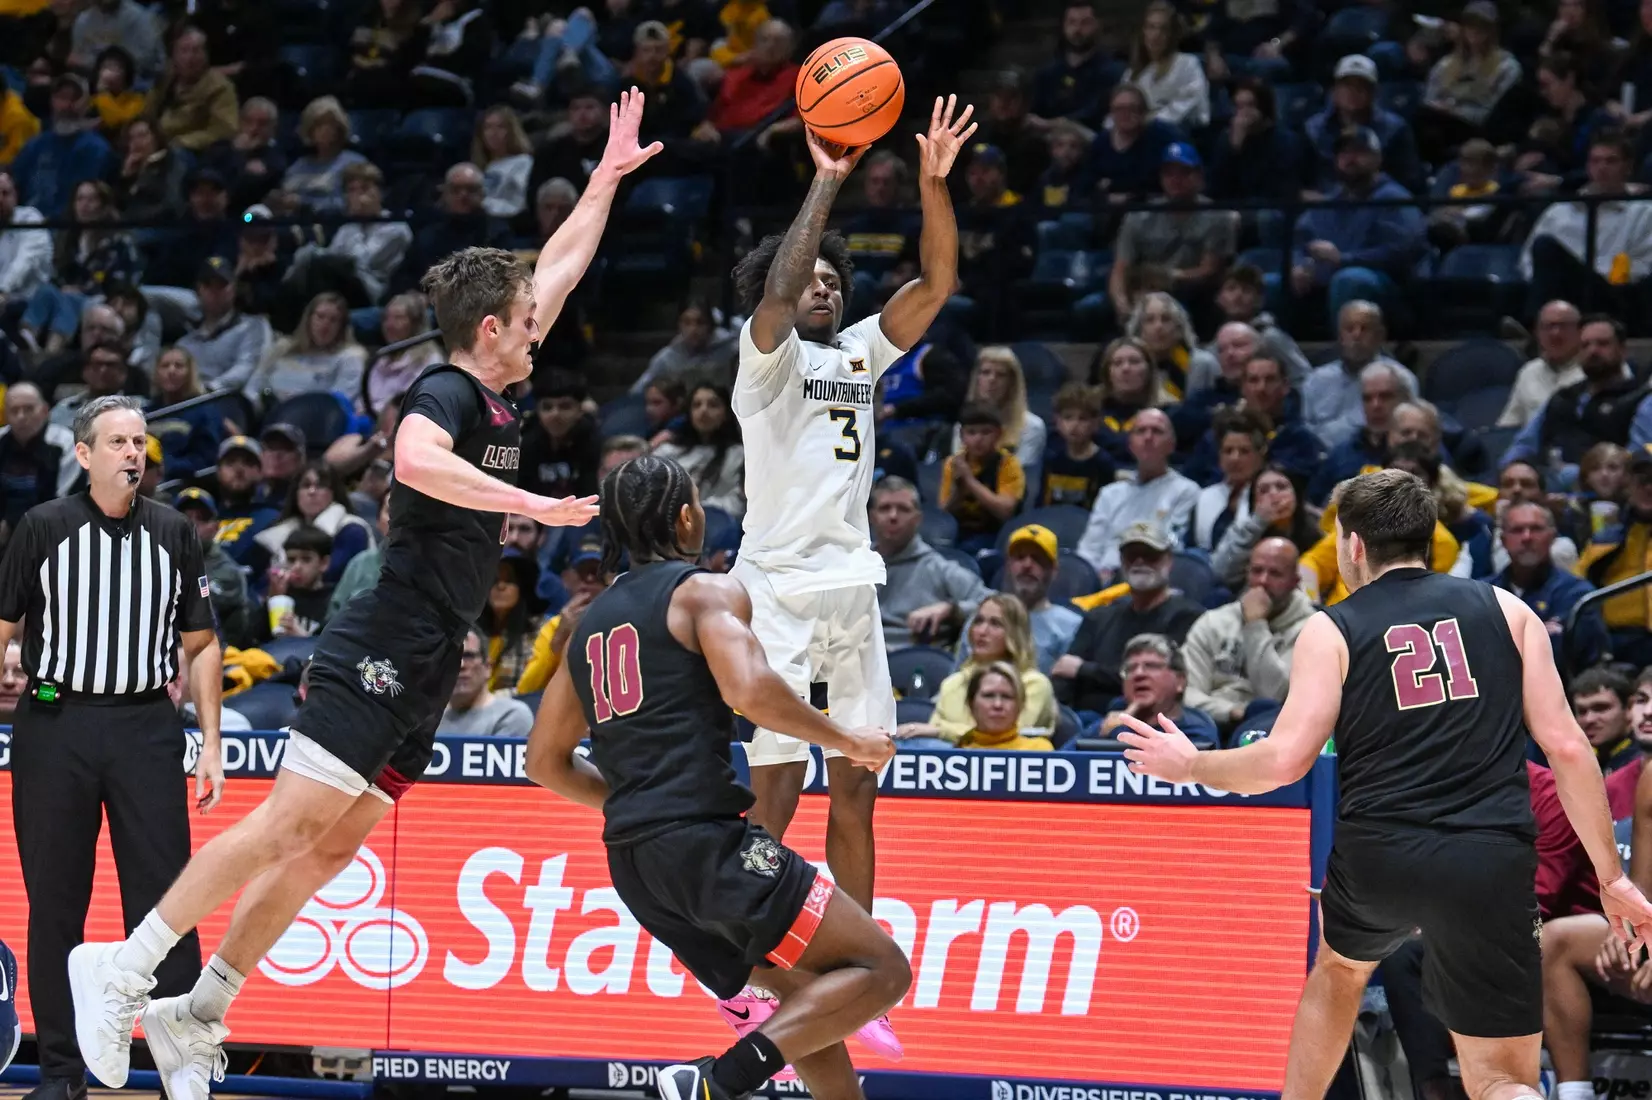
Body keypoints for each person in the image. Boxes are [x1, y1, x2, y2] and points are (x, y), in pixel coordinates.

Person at [67, 88, 662, 1100]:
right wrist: (530, 502)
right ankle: (121, 968)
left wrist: (604, 178)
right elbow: (417, 460)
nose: (540, 330)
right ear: (488, 327)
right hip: (382, 632)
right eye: (524, 324)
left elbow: (556, 267)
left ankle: (197, 1011)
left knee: (334, 844)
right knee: (285, 824)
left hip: (429, 655)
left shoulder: (503, 380)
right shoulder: (444, 391)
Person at [1118, 468, 1652, 1100]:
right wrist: (1612, 878)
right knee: (1502, 1079)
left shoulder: (1331, 627)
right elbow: (1567, 748)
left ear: (1354, 545)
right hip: (1488, 856)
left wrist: (1193, 766)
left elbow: (1285, 760)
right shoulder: (1507, 611)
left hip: (1381, 855)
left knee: (1339, 971)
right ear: (1427, 540)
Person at [524, 453, 905, 1100]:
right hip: (708, 846)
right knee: (881, 968)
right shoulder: (705, 591)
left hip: (638, 865)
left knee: (805, 1009)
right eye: (698, 502)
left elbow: (542, 762)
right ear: (685, 518)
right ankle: (714, 1082)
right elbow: (751, 691)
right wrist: (849, 738)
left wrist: (634, 803)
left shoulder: (585, 626)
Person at [719, 95, 974, 1057]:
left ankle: (852, 979)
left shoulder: (861, 353)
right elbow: (779, 294)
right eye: (809, 276)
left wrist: (932, 180)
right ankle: (745, 969)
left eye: (834, 278)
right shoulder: (764, 364)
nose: (822, 286)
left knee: (859, 786)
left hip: (851, 592)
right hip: (777, 591)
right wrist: (827, 177)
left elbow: (939, 279)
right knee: (776, 801)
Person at [0, 396, 224, 1100]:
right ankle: (62, 1075)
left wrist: (212, 739)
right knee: (55, 905)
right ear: (84, 454)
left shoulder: (174, 532)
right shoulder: (42, 528)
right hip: (54, 724)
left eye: (141, 441)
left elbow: (203, 642)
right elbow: (3, 628)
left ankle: (176, 1072)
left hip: (143, 730)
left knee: (166, 907)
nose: (134, 453)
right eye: (119, 441)